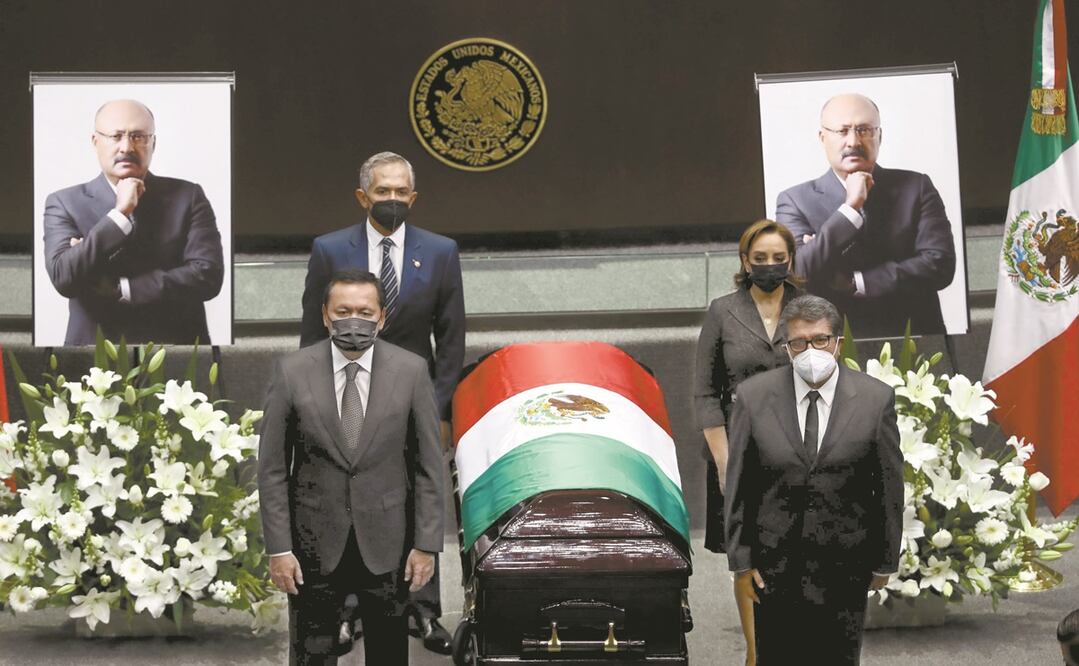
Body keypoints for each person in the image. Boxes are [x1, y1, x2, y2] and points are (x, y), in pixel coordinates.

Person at [298, 151, 464, 653]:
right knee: (354, 497)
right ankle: (351, 610)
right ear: (362, 196)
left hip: (414, 399)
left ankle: (423, 609)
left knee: (418, 496)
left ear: (413, 197)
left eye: (400, 192)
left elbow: (451, 337)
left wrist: (439, 409)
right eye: (382, 191)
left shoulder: (440, 251)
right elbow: (312, 331)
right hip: (347, 394)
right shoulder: (330, 249)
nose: (391, 200)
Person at [259, 269, 444, 665]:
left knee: (389, 653)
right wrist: (279, 548)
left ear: (382, 317)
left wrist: (426, 545)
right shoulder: (291, 372)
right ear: (326, 315)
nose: (353, 320)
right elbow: (273, 468)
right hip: (313, 545)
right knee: (312, 654)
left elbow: (429, 466)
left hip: (389, 543)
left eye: (364, 311)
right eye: (343, 311)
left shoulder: (410, 371)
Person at [724, 294, 903, 665]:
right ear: (786, 347)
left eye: (819, 339)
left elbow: (887, 485)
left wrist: (885, 561)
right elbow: (740, 483)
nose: (810, 350)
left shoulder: (875, 399)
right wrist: (741, 562)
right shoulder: (754, 397)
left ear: (837, 343)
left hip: (845, 566)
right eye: (799, 342)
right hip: (773, 567)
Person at [692, 219, 802, 666]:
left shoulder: (810, 308)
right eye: (761, 259)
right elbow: (704, 392)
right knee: (747, 554)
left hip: (799, 449)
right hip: (737, 451)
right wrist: (723, 461)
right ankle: (757, 653)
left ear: (791, 260)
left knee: (796, 548)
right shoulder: (723, 310)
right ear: (744, 261)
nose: (770, 266)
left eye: (779, 259)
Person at [42, 99, 224, 345]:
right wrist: (119, 214)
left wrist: (124, 289)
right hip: (92, 356)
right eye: (116, 136)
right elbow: (65, 277)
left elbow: (207, 276)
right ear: (96, 142)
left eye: (138, 136)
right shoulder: (64, 202)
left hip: (178, 353)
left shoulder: (188, 197)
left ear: (153, 143)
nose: (126, 147)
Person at [775, 93, 956, 338]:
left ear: (880, 135)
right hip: (831, 344)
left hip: (915, 337)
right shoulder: (795, 200)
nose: (853, 141)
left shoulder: (916, 187)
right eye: (842, 131)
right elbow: (795, 272)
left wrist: (856, 282)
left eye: (864, 130)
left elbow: (940, 265)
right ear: (822, 137)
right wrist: (850, 208)